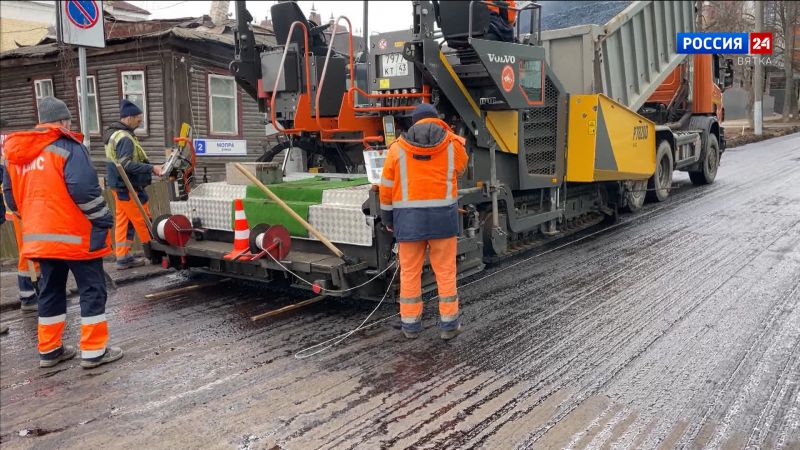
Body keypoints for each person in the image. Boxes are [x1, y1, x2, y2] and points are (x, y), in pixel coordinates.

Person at [3, 96, 123, 368]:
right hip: (75, 236)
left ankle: (50, 350)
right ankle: (94, 351)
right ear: (63, 121)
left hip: (39, 239)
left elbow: (11, 199)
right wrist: (103, 218)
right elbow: (84, 190)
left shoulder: (17, 154)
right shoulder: (68, 147)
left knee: (50, 291)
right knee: (92, 290)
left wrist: (35, 219)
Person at [379, 103, 469, 340]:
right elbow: (461, 167)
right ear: (436, 119)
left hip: (409, 223)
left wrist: (388, 219)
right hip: (443, 221)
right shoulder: (452, 145)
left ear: (413, 122)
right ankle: (449, 325)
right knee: (445, 273)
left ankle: (410, 327)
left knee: (410, 273)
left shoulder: (397, 149)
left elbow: (385, 190)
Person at [104, 100, 161, 270]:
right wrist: (152, 168)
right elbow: (126, 164)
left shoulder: (115, 134)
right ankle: (155, 254)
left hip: (118, 185)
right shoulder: (125, 138)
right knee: (142, 220)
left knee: (124, 221)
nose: (140, 120)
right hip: (128, 187)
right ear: (128, 118)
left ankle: (122, 257)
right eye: (138, 117)